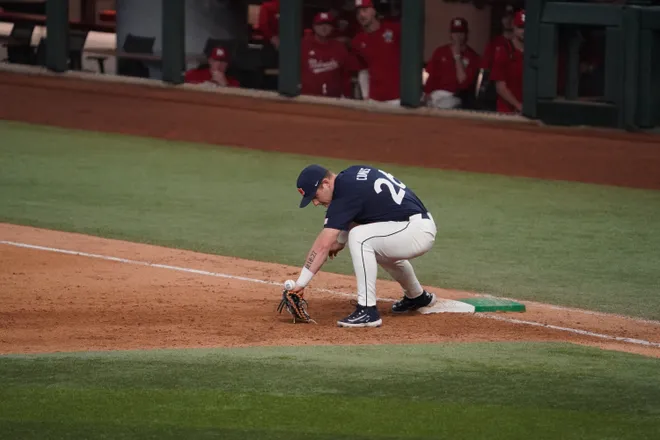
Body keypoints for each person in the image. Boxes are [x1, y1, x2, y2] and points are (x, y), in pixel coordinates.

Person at [286, 164, 438, 328]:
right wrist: (341, 240)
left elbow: (323, 245)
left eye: (315, 196)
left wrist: (300, 284)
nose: (315, 203)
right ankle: (417, 297)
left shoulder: (345, 192)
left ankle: (367, 310)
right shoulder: (351, 176)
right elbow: (361, 211)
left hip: (414, 231)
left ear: (325, 183)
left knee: (360, 237)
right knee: (375, 248)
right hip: (410, 225)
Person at [351, 0, 402, 104]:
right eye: (358, 12)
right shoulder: (357, 41)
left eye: (364, 10)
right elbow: (363, 70)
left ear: (374, 11)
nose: (361, 15)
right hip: (374, 98)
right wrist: (366, 96)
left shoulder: (394, 29)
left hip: (398, 97)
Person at [423, 17, 480, 109]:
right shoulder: (440, 51)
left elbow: (463, 83)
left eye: (461, 33)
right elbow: (431, 76)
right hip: (435, 95)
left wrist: (457, 56)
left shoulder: (473, 57)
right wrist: (427, 93)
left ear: (466, 34)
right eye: (455, 33)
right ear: (450, 34)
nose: (457, 36)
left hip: (454, 97)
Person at [301, 12, 356, 98]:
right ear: (314, 26)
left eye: (327, 24)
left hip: (333, 99)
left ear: (332, 28)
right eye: (320, 24)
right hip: (307, 98)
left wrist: (347, 95)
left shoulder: (339, 47)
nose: (324, 27)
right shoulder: (303, 45)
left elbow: (346, 75)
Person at [490, 9, 525, 114]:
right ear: (514, 28)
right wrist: (519, 106)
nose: (524, 31)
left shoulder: (535, 53)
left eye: (527, 27)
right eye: (521, 27)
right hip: (506, 111)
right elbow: (500, 87)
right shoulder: (504, 50)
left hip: (529, 112)